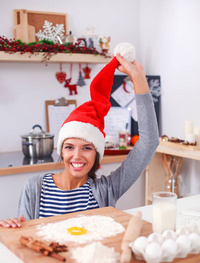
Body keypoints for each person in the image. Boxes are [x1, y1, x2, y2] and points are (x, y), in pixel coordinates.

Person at [0, 47, 159, 228]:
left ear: (97, 154)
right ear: (61, 150)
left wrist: (138, 79)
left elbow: (149, 142)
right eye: (69, 147)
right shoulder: (35, 188)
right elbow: (25, 239)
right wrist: (13, 228)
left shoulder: (105, 190)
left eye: (86, 148)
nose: (77, 156)